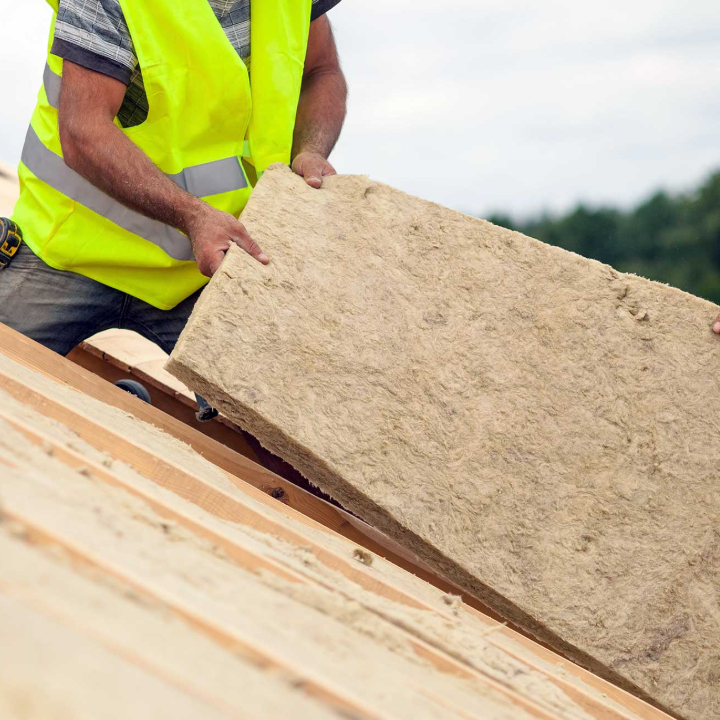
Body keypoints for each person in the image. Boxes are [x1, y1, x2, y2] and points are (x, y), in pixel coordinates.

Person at [0, 0, 347, 416]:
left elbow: (320, 72)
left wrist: (310, 149)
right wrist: (193, 216)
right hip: (70, 252)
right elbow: (84, 130)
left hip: (207, 267)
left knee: (277, 437)